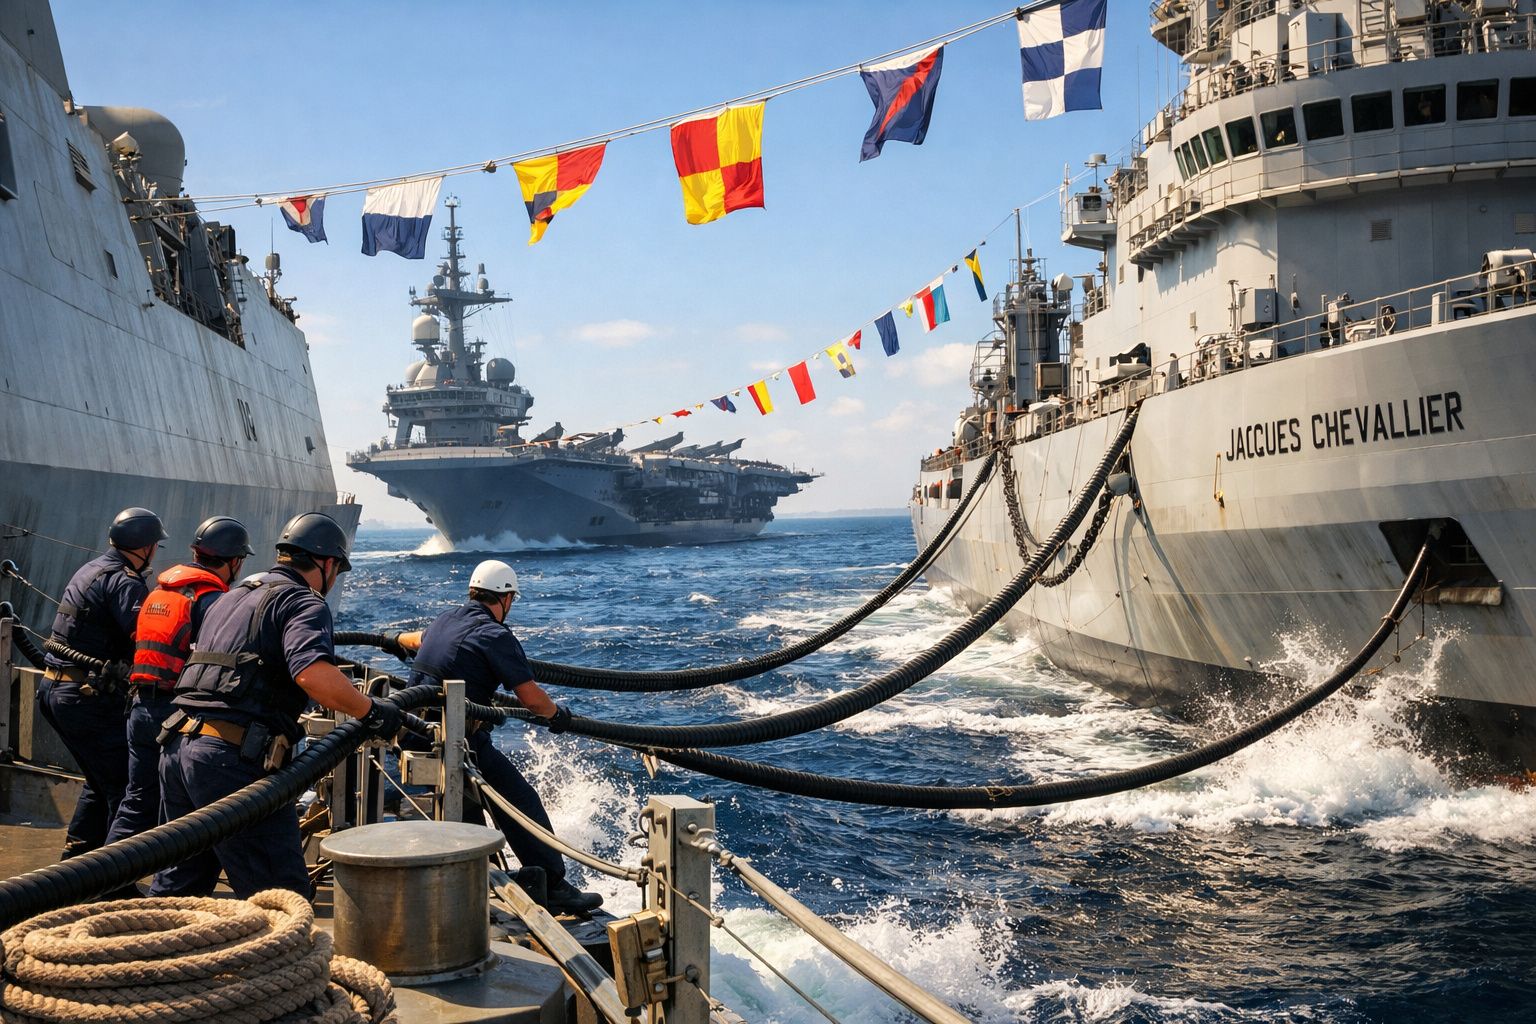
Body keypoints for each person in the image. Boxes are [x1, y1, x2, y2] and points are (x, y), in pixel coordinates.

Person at [149, 512, 401, 898]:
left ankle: (150, 957)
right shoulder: (303, 602)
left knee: (180, 892)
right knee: (281, 897)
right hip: (230, 764)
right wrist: (370, 711)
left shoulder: (231, 596)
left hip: (177, 749)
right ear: (327, 564)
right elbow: (312, 674)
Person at [394, 560, 602, 914]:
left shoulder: (445, 618)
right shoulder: (495, 635)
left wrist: (394, 641)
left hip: (414, 733)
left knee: (473, 798)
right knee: (521, 800)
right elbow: (532, 699)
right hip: (456, 739)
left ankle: (478, 869)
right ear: (505, 599)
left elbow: (415, 640)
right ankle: (551, 883)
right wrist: (558, 716)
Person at [104, 516, 253, 845]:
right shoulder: (210, 600)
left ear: (196, 554)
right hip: (172, 715)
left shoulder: (161, 591)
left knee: (137, 802)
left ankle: (101, 884)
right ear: (234, 562)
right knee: (182, 816)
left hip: (139, 708)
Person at [40, 506, 163, 859]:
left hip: (55, 690)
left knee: (99, 782)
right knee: (127, 787)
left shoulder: (91, 569)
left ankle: (76, 863)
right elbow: (146, 639)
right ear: (146, 547)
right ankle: (113, 879)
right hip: (84, 697)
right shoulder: (125, 581)